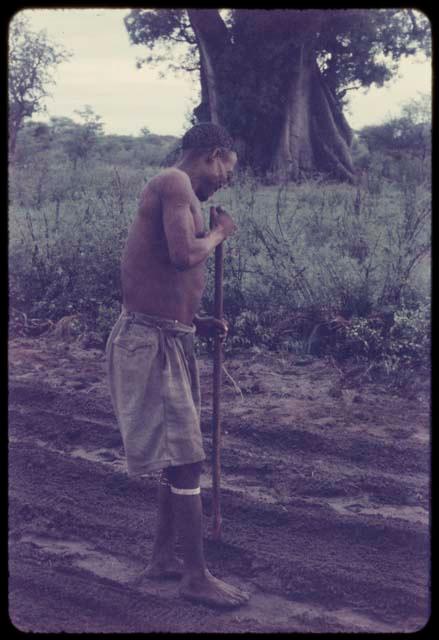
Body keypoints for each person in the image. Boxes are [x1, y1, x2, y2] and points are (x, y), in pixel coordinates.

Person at [106, 123, 250, 609]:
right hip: (150, 339)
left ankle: (164, 559)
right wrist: (220, 233)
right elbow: (183, 253)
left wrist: (196, 322)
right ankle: (195, 576)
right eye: (224, 174)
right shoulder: (174, 182)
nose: (221, 184)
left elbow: (163, 274)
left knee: (178, 455)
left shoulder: (179, 188)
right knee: (186, 458)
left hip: (170, 335)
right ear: (212, 155)